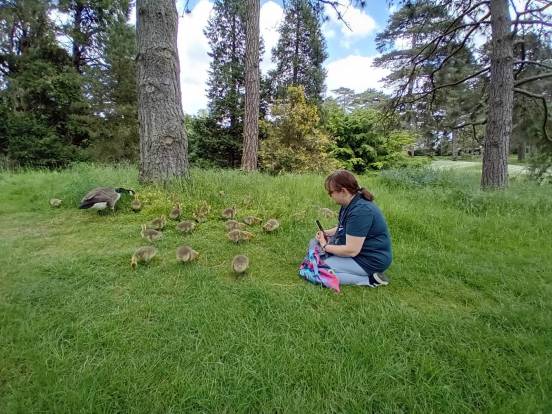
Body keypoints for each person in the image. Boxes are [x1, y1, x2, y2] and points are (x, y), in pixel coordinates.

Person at [315, 170, 392, 287]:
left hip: (369, 259)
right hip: (359, 253)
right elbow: (343, 227)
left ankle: (370, 280)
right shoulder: (349, 203)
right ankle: (341, 266)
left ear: (343, 191)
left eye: (330, 192)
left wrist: (325, 246)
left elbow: (352, 250)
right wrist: (326, 233)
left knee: (320, 270)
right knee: (314, 244)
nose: (330, 196)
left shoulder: (361, 211)